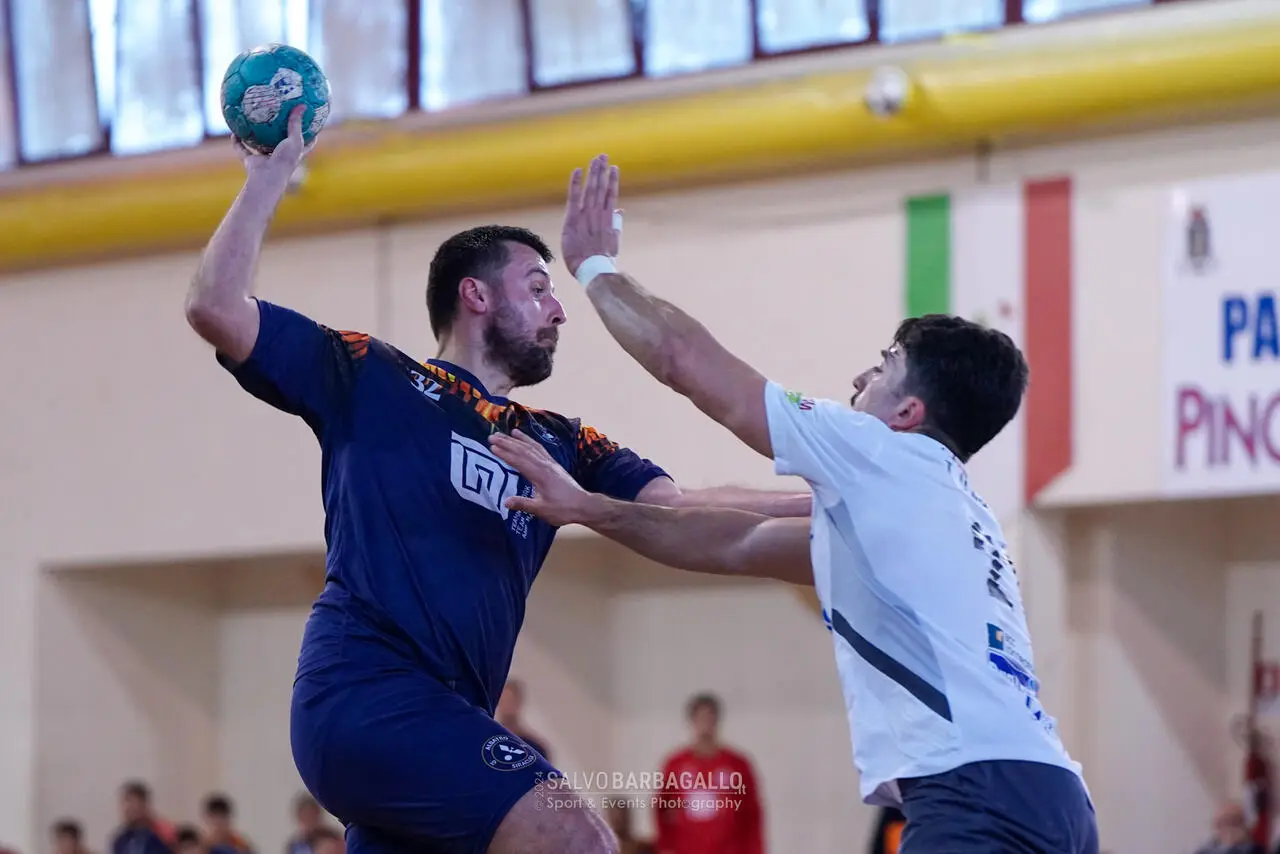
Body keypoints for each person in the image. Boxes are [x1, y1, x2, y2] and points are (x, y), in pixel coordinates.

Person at [184, 111, 807, 854]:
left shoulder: (560, 440)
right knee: (579, 841)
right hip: (364, 693)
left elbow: (684, 507)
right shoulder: (372, 375)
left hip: (447, 718)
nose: (559, 310)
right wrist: (268, 178)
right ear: (476, 296)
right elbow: (215, 307)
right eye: (538, 287)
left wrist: (832, 500)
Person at [484, 154, 1098, 853]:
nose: (861, 377)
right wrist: (594, 509)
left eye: (884, 366)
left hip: (974, 792)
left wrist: (595, 267)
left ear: (909, 413)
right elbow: (733, 541)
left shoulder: (879, 453)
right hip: (1052, 796)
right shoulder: (938, 505)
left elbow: (688, 361)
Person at [654, 693, 763, 854]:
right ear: (692, 721)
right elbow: (661, 807)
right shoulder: (675, 764)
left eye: (709, 717)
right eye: (700, 717)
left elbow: (752, 813)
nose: (705, 723)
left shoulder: (737, 764)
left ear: (717, 720)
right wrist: (666, 846)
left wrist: (755, 849)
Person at [495, 679, 552, 762]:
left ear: (518, 702)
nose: (506, 706)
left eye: (510, 700)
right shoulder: (490, 743)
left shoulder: (534, 748)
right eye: (502, 701)